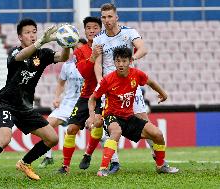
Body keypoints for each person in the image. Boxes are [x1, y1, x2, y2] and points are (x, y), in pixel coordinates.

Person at [0, 18, 71, 187]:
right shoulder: (14, 52)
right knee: (4, 139)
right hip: (6, 103)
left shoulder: (43, 54)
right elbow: (21, 56)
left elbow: (63, 57)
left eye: (34, 32)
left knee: (52, 138)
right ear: (20, 37)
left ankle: (24, 163)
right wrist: (41, 41)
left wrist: (67, 42)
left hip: (25, 107)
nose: (32, 35)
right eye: (27, 33)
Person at [92, 3, 166, 169]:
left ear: (116, 17)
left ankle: (157, 155)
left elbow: (143, 49)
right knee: (112, 127)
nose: (107, 20)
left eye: (110, 16)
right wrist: (99, 82)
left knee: (143, 120)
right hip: (110, 86)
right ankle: (113, 162)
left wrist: (131, 60)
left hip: (130, 84)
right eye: (103, 17)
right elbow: (97, 64)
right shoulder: (98, 39)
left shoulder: (129, 32)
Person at [86, 47, 179, 176]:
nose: (120, 64)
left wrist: (163, 94)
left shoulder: (136, 74)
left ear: (130, 61)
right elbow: (92, 99)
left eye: (124, 61)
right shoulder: (107, 80)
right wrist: (92, 116)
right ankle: (103, 168)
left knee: (157, 134)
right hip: (111, 116)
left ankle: (161, 165)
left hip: (129, 117)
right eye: (117, 61)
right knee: (116, 131)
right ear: (114, 62)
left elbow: (151, 82)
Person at [57, 16, 105, 174]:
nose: (92, 30)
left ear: (100, 29)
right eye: (89, 28)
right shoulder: (79, 51)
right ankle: (65, 166)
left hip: (104, 94)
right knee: (71, 129)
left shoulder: (107, 45)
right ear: (84, 31)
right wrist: (93, 56)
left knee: (98, 123)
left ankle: (88, 154)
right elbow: (84, 72)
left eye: (95, 27)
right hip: (85, 95)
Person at [38, 38, 86, 168]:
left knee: (101, 131)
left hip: (85, 103)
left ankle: (113, 160)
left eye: (80, 49)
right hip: (68, 103)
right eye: (75, 49)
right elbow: (60, 83)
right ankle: (48, 157)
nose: (78, 51)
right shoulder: (67, 65)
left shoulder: (92, 65)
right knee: (46, 126)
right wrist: (57, 97)